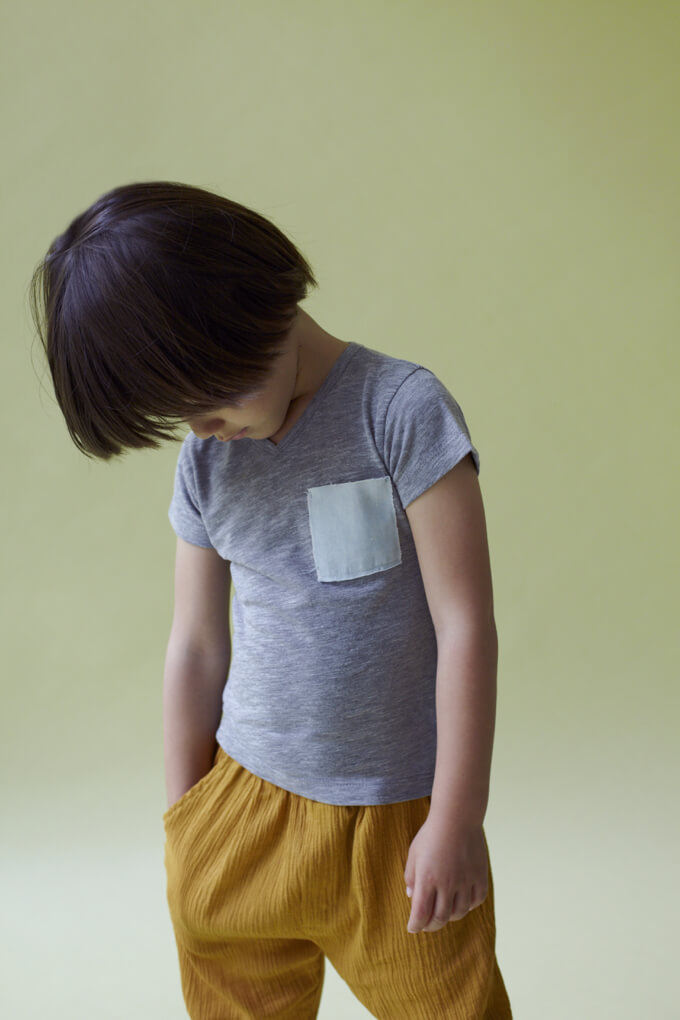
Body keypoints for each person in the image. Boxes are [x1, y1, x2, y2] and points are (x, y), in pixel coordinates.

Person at [29, 180, 513, 1019]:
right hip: (243, 810)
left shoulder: (399, 413)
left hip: (395, 824)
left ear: (254, 309)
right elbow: (195, 645)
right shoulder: (208, 461)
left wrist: (457, 819)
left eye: (208, 399)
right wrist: (186, 820)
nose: (201, 428)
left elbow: (464, 624)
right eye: (179, 414)